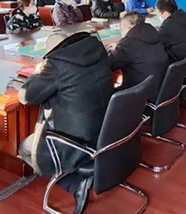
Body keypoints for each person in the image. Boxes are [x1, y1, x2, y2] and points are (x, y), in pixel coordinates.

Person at [18, 33, 114, 214]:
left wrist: (37, 74)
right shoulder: (97, 50)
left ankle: (74, 182)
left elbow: (25, 97)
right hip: (107, 129)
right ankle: (81, 172)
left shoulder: (56, 65)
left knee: (24, 148)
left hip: (77, 141)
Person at [107, 12, 169, 100]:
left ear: (129, 28)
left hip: (140, 93)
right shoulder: (153, 34)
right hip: (159, 87)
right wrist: (119, 47)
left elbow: (109, 65)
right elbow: (138, 50)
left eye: (122, 29)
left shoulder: (128, 42)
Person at [156, 0, 186, 74]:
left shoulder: (168, 26)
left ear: (165, 13)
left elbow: (157, 43)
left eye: (159, 13)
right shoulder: (184, 17)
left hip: (180, 66)